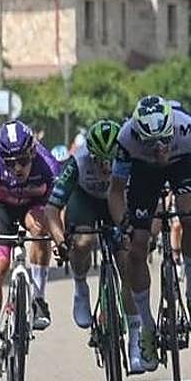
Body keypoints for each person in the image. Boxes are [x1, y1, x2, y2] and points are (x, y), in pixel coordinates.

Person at [107, 96, 191, 373]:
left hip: (182, 163)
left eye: (164, 140)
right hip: (144, 172)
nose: (159, 149)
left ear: (173, 128)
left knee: (190, 217)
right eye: (151, 143)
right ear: (138, 135)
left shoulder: (188, 129)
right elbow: (116, 191)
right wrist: (123, 224)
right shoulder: (127, 138)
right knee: (136, 249)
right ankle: (147, 327)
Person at [44, 120, 127, 332]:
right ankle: (81, 286)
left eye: (111, 160)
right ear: (90, 154)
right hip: (84, 200)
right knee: (83, 241)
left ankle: (132, 325)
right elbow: (52, 209)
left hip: (115, 200)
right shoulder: (77, 162)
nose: (106, 167)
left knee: (126, 257)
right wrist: (61, 241)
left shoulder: (129, 158)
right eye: (100, 160)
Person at [0, 121, 59, 331]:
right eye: (9, 163)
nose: (17, 168)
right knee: (0, 266)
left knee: (40, 228)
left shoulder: (48, 165)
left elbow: (59, 205)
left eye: (23, 161)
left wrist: (59, 237)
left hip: (34, 206)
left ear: (32, 152)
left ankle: (38, 300)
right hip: (3, 208)